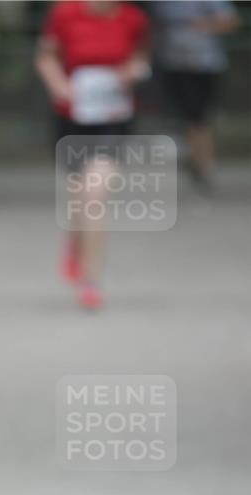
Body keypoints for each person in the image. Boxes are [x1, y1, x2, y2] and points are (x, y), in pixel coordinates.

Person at [35, 0, 150, 309]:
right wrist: (60, 86)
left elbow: (140, 57)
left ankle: (91, 280)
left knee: (96, 193)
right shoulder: (65, 13)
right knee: (78, 195)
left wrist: (134, 71)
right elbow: (46, 57)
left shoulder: (133, 18)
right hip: (73, 117)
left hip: (113, 116)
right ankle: (77, 243)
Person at [152, 0, 240, 193]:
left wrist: (200, 25)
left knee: (198, 116)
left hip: (202, 65)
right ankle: (193, 159)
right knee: (181, 115)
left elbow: (230, 21)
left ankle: (203, 164)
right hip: (171, 63)